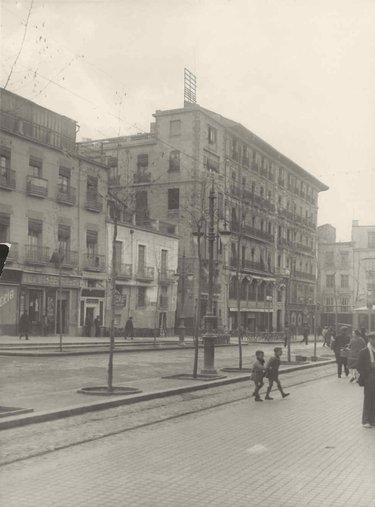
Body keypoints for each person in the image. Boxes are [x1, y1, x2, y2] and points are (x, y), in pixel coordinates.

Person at [356, 332, 375, 428]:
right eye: (373, 339)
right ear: (370, 340)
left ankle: (373, 420)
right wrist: (366, 377)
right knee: (368, 399)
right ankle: (365, 420)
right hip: (369, 378)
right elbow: (359, 366)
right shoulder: (364, 351)